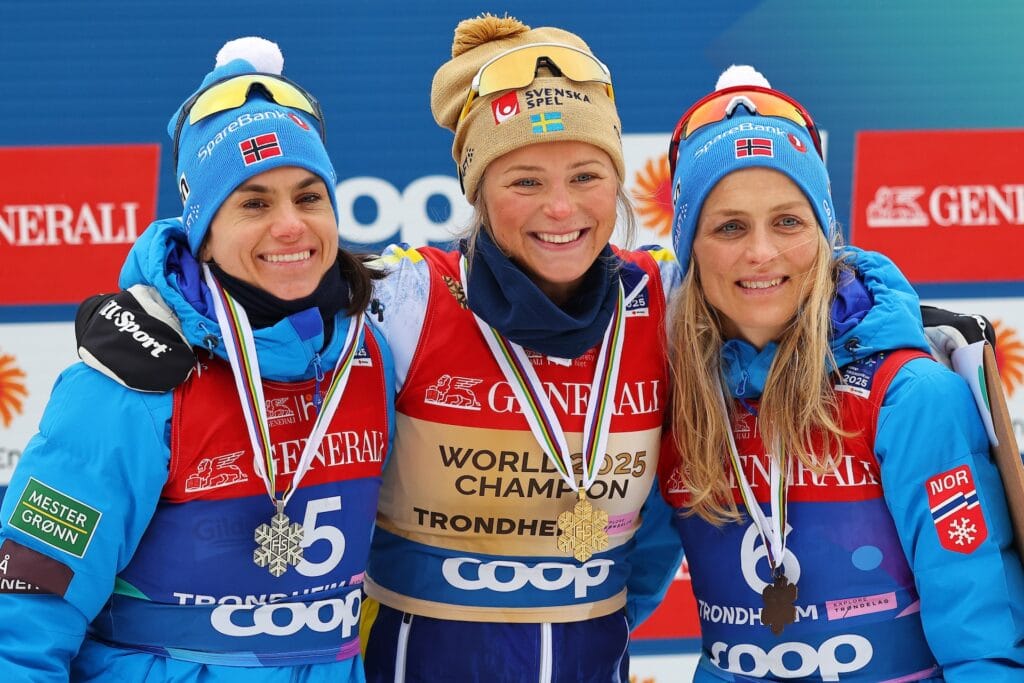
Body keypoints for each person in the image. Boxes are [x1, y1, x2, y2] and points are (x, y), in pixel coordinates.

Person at [69, 15, 684, 683]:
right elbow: (264, 316)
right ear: (477, 190)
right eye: (526, 180)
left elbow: (660, 531)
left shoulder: (659, 302)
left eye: (587, 175)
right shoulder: (406, 303)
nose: (560, 208)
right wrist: (152, 324)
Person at [0, 38, 394, 682]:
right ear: (203, 228)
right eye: (254, 203)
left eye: (308, 196)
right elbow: (23, 617)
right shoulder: (134, 378)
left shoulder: (366, 352)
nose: (291, 225)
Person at [659, 65, 1024, 681]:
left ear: (827, 233)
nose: (761, 253)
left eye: (788, 221)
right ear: (689, 243)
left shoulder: (907, 397)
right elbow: (606, 592)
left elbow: (983, 641)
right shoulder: (678, 393)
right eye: (728, 226)